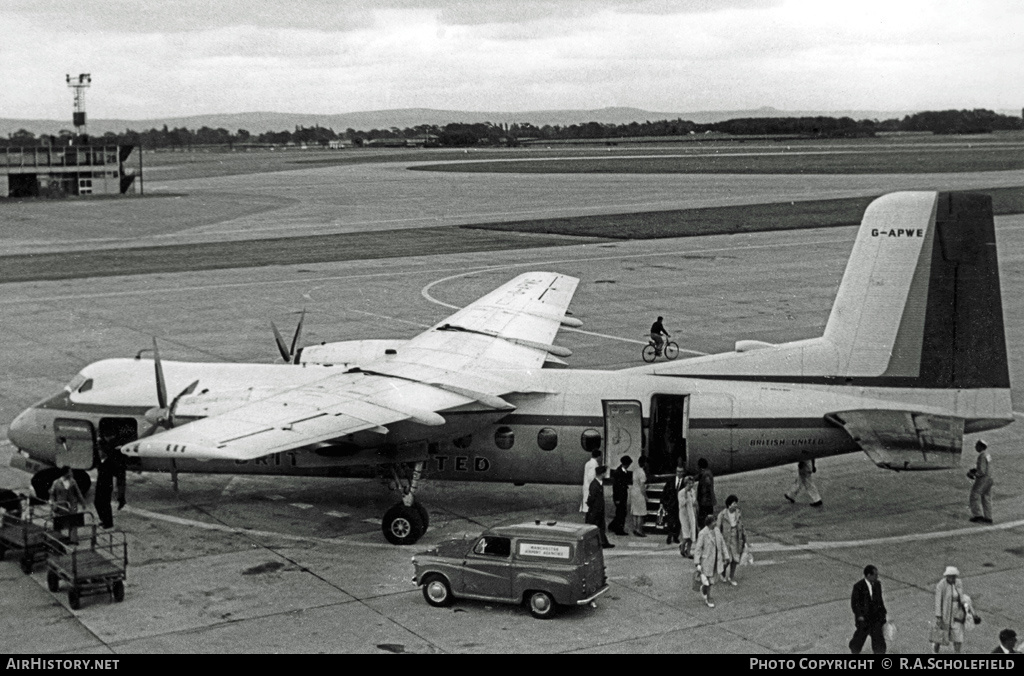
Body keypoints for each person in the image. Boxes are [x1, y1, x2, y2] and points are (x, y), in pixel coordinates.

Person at [849, 564, 887, 654]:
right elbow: (855, 603)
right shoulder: (858, 586)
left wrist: (883, 614)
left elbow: (880, 601)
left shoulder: (877, 585)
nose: (877, 577)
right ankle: (854, 649)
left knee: (878, 638)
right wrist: (859, 616)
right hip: (864, 618)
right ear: (869, 575)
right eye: (875, 575)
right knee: (860, 637)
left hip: (876, 617)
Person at [692, 514, 728, 608]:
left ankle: (704, 589)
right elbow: (698, 549)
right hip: (707, 561)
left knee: (712, 581)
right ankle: (708, 597)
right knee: (708, 580)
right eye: (714, 521)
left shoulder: (717, 531)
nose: (715, 523)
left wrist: (726, 555)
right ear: (709, 523)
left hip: (716, 560)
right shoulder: (703, 533)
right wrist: (697, 563)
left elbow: (722, 543)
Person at [931, 566, 969, 653]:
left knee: (958, 636)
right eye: (950, 576)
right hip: (945, 614)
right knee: (940, 635)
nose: (952, 578)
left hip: (957, 615)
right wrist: (938, 616)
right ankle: (935, 651)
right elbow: (938, 601)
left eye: (954, 576)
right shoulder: (941, 585)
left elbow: (961, 596)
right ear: (947, 576)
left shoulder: (958, 582)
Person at [94, 440, 127, 530]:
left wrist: (116, 488)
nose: (99, 452)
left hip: (107, 485)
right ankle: (104, 520)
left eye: (100, 451)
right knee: (97, 502)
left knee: (105, 504)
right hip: (100, 484)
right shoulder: (101, 461)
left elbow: (116, 476)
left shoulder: (110, 462)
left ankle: (108, 523)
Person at [716, 495, 747, 585]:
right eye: (734, 503)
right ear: (729, 505)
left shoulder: (738, 513)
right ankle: (723, 572)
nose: (735, 505)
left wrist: (744, 538)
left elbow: (742, 526)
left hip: (736, 539)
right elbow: (718, 529)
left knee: (735, 559)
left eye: (736, 503)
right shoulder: (722, 515)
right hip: (725, 540)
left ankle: (731, 577)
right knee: (727, 559)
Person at [586, 465, 614, 549]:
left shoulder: (598, 483)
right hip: (595, 510)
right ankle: (599, 543)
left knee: (601, 526)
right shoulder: (595, 485)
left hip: (599, 509)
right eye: (604, 473)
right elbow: (591, 498)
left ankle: (603, 542)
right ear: (602, 474)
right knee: (594, 526)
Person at [968, 440, 994, 523]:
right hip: (989, 478)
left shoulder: (981, 456)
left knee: (974, 496)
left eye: (976, 445)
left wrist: (973, 474)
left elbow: (982, 471)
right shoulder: (987, 455)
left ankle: (978, 516)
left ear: (980, 446)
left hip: (983, 479)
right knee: (986, 498)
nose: (975, 447)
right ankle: (988, 518)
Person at [609, 456, 633, 536]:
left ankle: (613, 526)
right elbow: (616, 487)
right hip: (619, 496)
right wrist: (617, 498)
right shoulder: (618, 473)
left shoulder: (623, 471)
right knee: (621, 513)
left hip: (622, 495)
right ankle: (619, 529)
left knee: (621, 512)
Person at [660, 465, 684, 544]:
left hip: (680, 505)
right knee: (670, 521)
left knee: (678, 522)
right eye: (678, 472)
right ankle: (669, 536)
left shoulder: (684, 482)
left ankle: (675, 536)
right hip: (671, 504)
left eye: (681, 472)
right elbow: (665, 492)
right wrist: (662, 503)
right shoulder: (670, 481)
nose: (679, 473)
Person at [628, 456, 648, 537]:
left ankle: (635, 528)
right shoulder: (642, 473)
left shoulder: (635, 471)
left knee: (635, 512)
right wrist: (646, 496)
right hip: (639, 493)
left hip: (633, 491)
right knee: (640, 513)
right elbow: (642, 487)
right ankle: (639, 530)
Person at [678, 475, 697, 558]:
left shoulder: (693, 491)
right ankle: (682, 546)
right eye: (689, 483)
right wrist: (685, 494)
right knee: (686, 535)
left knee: (692, 534)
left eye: (692, 483)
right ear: (686, 483)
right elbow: (682, 503)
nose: (691, 485)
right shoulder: (681, 492)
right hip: (684, 515)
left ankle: (688, 551)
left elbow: (694, 502)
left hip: (691, 514)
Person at [696, 458, 716, 527]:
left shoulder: (705, 474)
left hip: (705, 501)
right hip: (707, 501)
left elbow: (706, 487)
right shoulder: (706, 472)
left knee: (704, 518)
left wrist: (701, 498)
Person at [580, 449, 602, 513]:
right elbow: (591, 477)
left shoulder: (588, 463)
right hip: (591, 486)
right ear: (598, 456)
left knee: (587, 501)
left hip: (586, 485)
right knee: (590, 505)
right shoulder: (594, 464)